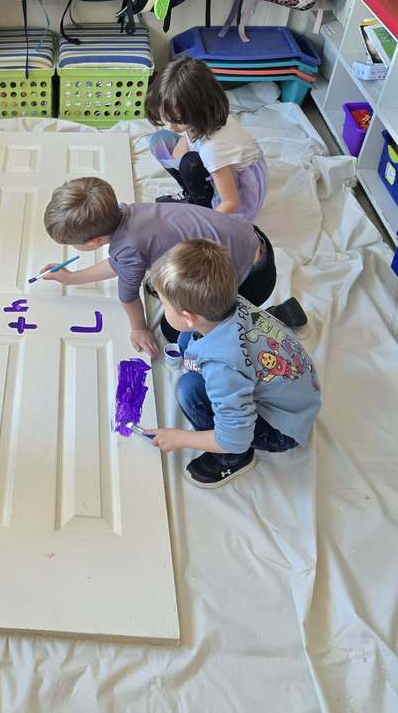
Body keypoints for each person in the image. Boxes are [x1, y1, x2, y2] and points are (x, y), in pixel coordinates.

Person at [41, 176, 298, 358]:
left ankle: (265, 321)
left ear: (95, 241)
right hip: (252, 238)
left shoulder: (129, 248)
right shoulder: (129, 211)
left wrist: (139, 328)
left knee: (174, 331)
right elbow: (120, 263)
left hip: (249, 281)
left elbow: (128, 297)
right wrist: (71, 278)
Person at [145, 240, 321, 487]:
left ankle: (233, 460)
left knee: (189, 390)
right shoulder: (234, 301)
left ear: (189, 316)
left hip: (283, 428)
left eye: (164, 305)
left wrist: (180, 438)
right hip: (298, 395)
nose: (163, 310)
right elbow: (192, 335)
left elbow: (234, 437)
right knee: (186, 338)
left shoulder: (222, 366)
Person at [145, 55, 267, 220]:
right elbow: (186, 143)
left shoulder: (213, 149)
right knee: (159, 141)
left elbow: (231, 202)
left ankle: (201, 206)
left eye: (178, 121)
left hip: (237, 191)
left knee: (190, 163)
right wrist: (177, 163)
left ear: (198, 111)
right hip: (219, 169)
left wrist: (206, 223)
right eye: (166, 118)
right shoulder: (203, 119)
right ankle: (192, 194)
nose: (170, 127)